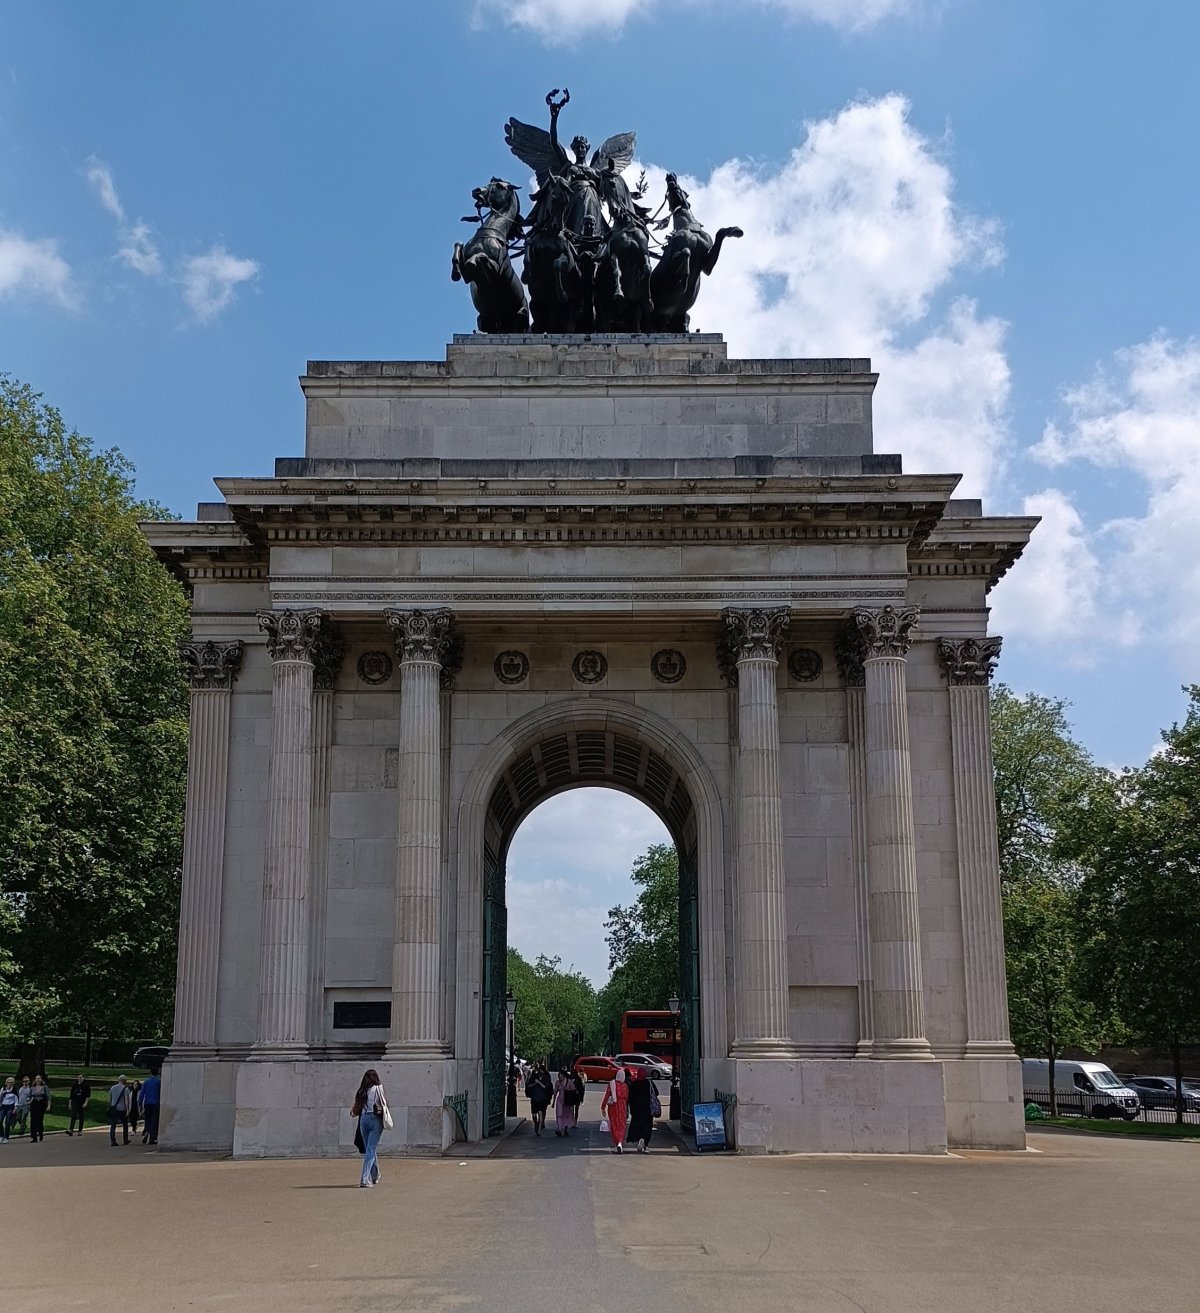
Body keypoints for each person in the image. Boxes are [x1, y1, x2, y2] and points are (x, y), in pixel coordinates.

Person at [350, 1068, 388, 1188]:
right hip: (375, 1119)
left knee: (369, 1149)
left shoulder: (361, 1091)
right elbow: (384, 1102)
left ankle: (375, 1174)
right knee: (371, 1149)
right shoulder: (378, 1088)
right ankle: (365, 1179)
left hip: (364, 1119)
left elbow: (357, 1107)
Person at [600, 1067, 629, 1153]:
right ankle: (620, 1141)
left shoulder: (612, 1084)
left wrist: (603, 1107)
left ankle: (617, 1143)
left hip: (613, 1106)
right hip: (622, 1106)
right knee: (621, 1124)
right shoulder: (625, 1086)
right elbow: (627, 1098)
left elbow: (607, 1095)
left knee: (614, 1124)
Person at [625, 1068, 655, 1153]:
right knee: (647, 1126)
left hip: (637, 1108)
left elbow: (629, 1097)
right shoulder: (649, 1083)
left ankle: (639, 1138)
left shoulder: (634, 1084)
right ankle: (646, 1145)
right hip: (647, 1108)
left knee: (637, 1125)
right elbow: (656, 1093)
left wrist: (631, 1108)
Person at [526, 1062, 553, 1136]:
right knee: (534, 1114)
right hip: (535, 1098)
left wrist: (539, 1083)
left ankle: (539, 1129)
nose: (540, 1072)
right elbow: (529, 1085)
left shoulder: (546, 1078)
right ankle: (536, 1123)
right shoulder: (534, 1076)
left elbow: (546, 1087)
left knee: (541, 1113)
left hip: (543, 1098)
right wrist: (535, 1083)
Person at [108, 1075, 132, 1146]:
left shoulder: (112, 1088)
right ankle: (125, 1139)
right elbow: (126, 1100)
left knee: (113, 1125)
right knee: (125, 1125)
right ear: (124, 1080)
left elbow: (110, 1098)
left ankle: (112, 1140)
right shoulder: (125, 1089)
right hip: (122, 1109)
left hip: (114, 1108)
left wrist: (111, 1106)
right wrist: (128, 1110)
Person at [553, 1068, 577, 1137]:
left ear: (563, 1075)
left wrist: (568, 1089)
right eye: (558, 1075)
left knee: (566, 1115)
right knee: (559, 1114)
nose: (559, 1076)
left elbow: (573, 1090)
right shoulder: (557, 1083)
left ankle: (565, 1128)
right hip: (560, 1101)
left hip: (567, 1101)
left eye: (560, 1074)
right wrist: (553, 1102)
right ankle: (559, 1129)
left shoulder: (569, 1082)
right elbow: (555, 1092)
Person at [140, 1069, 161, 1144]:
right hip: (155, 1103)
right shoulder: (158, 1082)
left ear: (150, 1073)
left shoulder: (146, 1082)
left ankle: (146, 1131)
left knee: (148, 1119)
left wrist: (140, 1103)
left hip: (147, 1103)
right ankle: (152, 1137)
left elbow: (142, 1093)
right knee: (154, 1121)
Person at [28, 1075, 50, 1142]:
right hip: (34, 1104)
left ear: (41, 1079)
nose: (38, 1080)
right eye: (37, 1078)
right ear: (35, 1080)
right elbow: (29, 1096)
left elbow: (48, 1097)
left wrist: (48, 1105)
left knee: (39, 1120)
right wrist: (28, 1101)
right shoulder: (32, 1088)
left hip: (41, 1104)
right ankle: (34, 1137)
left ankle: (40, 1134)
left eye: (39, 1078)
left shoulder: (45, 1087)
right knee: (33, 1120)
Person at [0, 1078, 16, 1142]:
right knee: (0, 1120)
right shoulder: (2, 1089)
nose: (10, 1084)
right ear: (6, 1083)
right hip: (3, 1106)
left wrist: (16, 1108)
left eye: (11, 1082)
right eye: (9, 1082)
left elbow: (16, 1099)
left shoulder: (14, 1090)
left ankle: (6, 1137)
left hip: (10, 1107)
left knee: (7, 1122)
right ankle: (1, 1135)